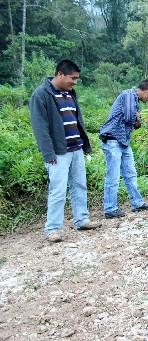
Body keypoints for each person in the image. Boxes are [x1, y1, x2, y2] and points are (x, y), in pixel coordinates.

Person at [29, 59, 101, 243]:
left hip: (76, 148)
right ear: (60, 74)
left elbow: (77, 120)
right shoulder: (41, 94)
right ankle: (52, 229)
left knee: (79, 185)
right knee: (58, 190)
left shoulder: (70, 93)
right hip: (58, 152)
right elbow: (40, 127)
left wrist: (85, 145)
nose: (75, 82)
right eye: (72, 78)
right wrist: (48, 153)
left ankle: (82, 220)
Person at [100, 79, 148, 218]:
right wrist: (136, 117)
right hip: (113, 139)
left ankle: (137, 203)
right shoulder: (128, 95)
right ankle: (110, 209)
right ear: (147, 91)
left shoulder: (135, 101)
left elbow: (136, 124)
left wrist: (137, 118)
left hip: (124, 142)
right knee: (113, 176)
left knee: (131, 173)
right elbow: (129, 118)